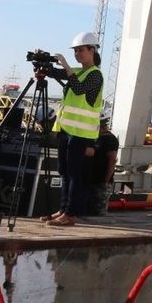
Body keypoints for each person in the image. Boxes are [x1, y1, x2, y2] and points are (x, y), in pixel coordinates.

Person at [41, 32, 104, 227]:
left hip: (81, 133)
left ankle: (71, 213)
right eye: (75, 51)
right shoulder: (79, 71)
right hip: (67, 131)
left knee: (75, 174)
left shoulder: (95, 75)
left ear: (92, 50)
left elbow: (78, 88)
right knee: (65, 172)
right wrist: (45, 64)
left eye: (80, 50)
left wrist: (66, 66)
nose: (77, 54)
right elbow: (60, 74)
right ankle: (63, 210)